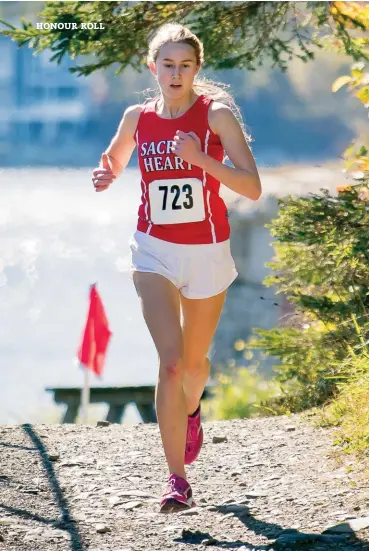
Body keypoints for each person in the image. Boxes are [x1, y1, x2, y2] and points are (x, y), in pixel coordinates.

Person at [91, 23, 261, 514]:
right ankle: (176, 480)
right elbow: (117, 159)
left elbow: (251, 188)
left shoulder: (217, 116)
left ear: (196, 69)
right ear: (152, 67)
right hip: (153, 250)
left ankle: (191, 409)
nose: (176, 72)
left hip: (207, 250)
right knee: (170, 362)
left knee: (193, 364)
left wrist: (200, 158)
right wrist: (106, 174)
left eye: (185, 65)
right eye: (167, 64)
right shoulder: (137, 117)